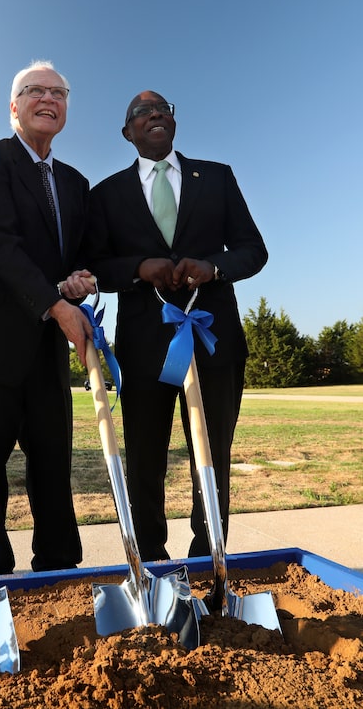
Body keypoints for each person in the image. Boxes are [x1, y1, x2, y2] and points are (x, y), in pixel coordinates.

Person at [86, 90, 268, 561]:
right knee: (145, 460)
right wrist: (139, 268)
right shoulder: (106, 194)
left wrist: (213, 267)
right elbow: (96, 266)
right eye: (143, 112)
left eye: (164, 108)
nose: (156, 115)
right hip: (144, 350)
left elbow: (253, 249)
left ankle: (210, 559)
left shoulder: (218, 178)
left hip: (214, 341)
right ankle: (150, 563)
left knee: (211, 458)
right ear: (128, 132)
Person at [0, 61, 94, 576]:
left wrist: (81, 279)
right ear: (14, 106)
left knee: (54, 467)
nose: (48, 99)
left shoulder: (76, 183)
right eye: (36, 91)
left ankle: (58, 571)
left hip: (48, 355)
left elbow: (82, 254)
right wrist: (55, 304)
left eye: (60, 92)